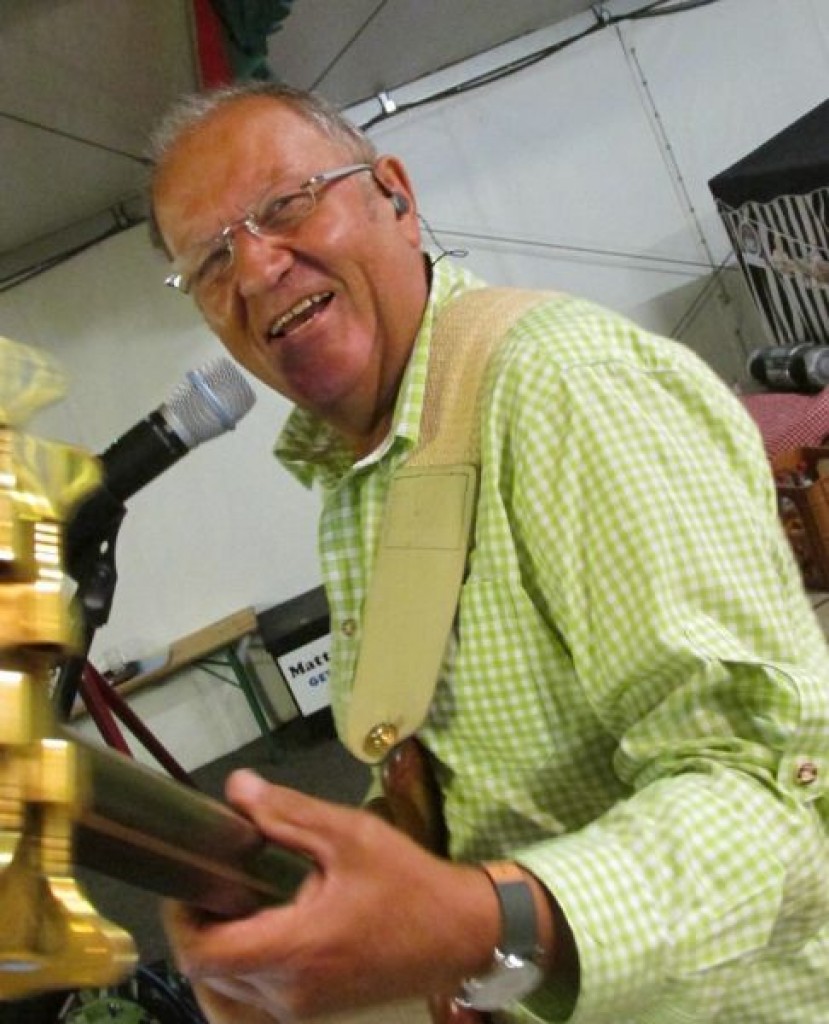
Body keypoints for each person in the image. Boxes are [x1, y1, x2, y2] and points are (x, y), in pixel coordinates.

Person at [148, 81, 829, 1023]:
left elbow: (775, 799)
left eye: (285, 205)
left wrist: (481, 922)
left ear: (396, 195)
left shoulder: (564, 387)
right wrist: (320, 899)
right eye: (211, 260)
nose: (256, 268)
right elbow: (468, 782)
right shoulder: (368, 473)